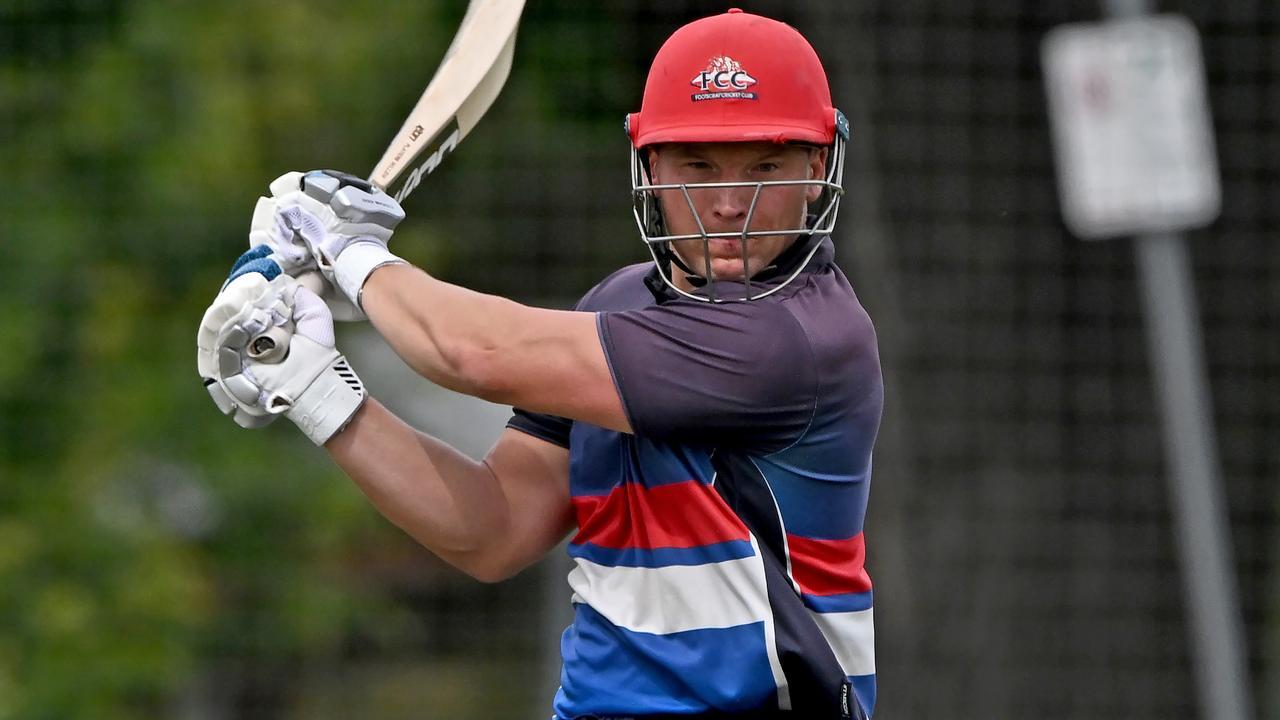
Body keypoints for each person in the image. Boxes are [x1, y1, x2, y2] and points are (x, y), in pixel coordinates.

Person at [197, 9, 883, 719]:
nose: (729, 203)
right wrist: (316, 390)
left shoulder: (799, 339)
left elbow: (473, 353)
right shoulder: (617, 307)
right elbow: (492, 530)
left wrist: (350, 253)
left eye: (765, 166)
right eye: (698, 165)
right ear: (649, 165)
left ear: (816, 169)